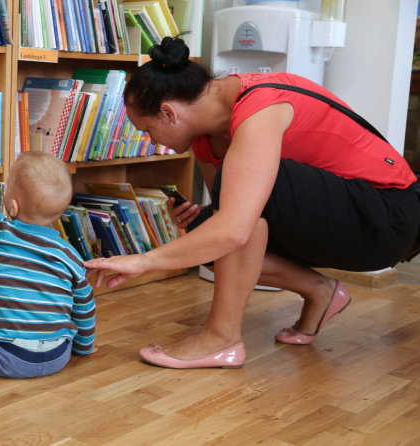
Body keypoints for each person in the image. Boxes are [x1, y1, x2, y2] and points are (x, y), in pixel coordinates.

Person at [85, 37, 420, 369]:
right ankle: (321, 291)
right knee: (209, 226)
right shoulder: (206, 138)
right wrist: (199, 216)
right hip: (344, 217)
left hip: (387, 216)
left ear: (169, 113)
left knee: (234, 214)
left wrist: (143, 260)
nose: (151, 141)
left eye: (146, 130)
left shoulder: (261, 106)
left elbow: (235, 227)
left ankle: (221, 338)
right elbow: (229, 220)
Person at [0, 152, 96, 378]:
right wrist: (84, 348)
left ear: (13, 207)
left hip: (7, 356)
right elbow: (85, 306)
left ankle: (5, 330)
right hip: (58, 356)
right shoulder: (70, 254)